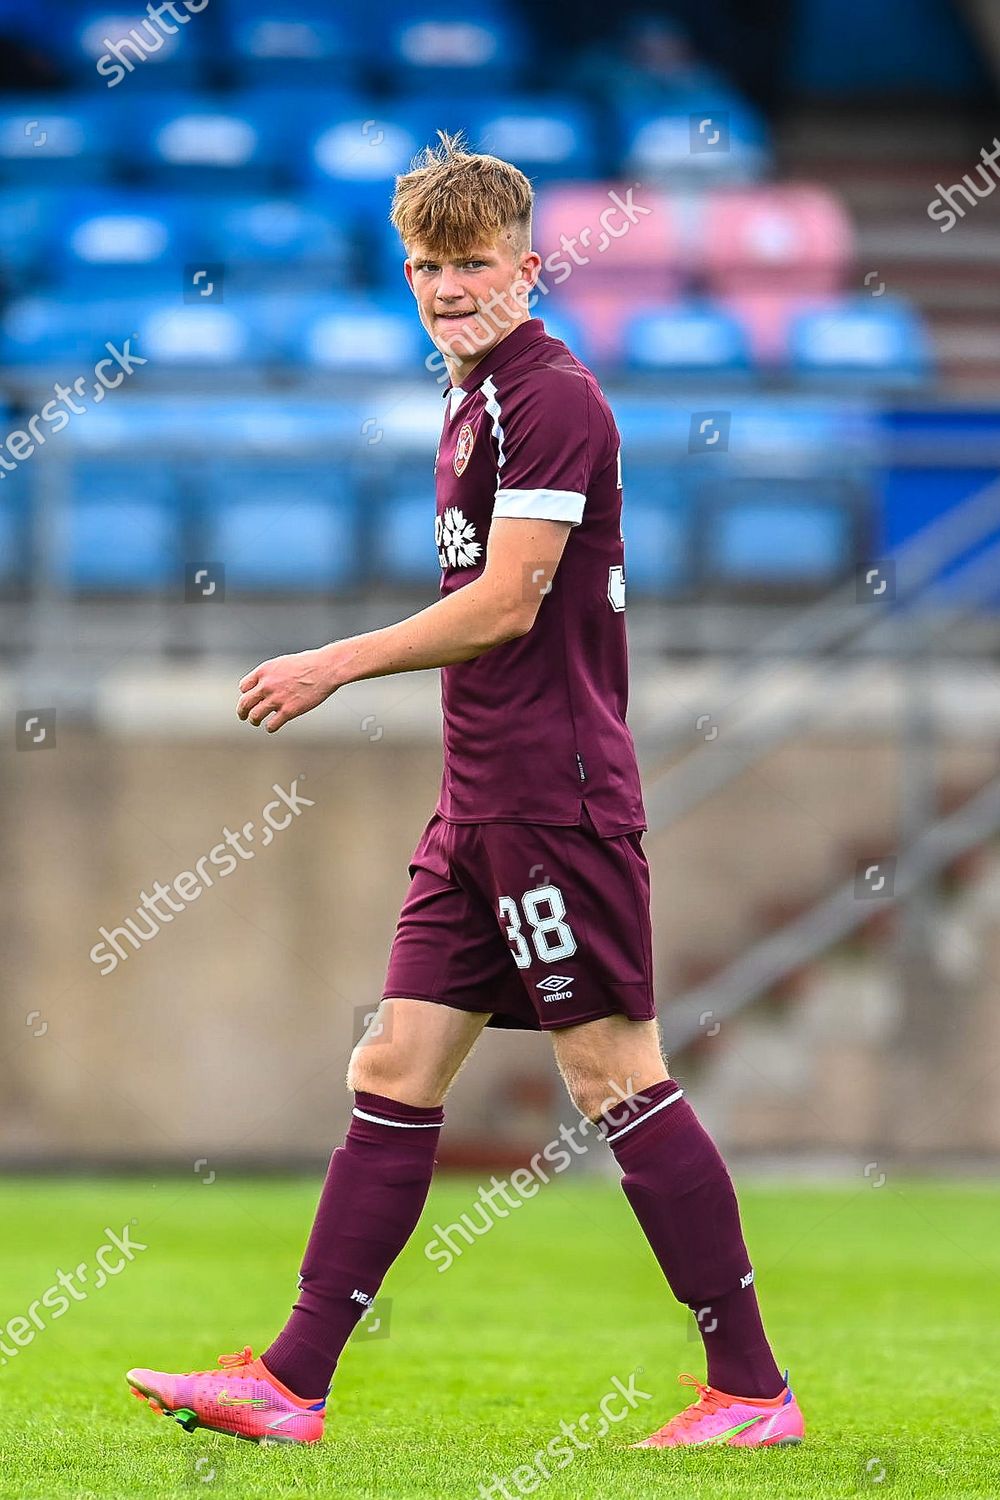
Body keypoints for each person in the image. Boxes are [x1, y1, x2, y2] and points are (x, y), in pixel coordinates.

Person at [125, 134, 804, 1451]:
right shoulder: (471, 393)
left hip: (551, 798)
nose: (447, 287)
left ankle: (751, 1390)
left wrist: (335, 660)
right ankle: (291, 1382)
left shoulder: (549, 397)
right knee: (393, 1059)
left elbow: (508, 603)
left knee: (615, 1074)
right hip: (479, 805)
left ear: (528, 265)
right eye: (427, 265)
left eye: (472, 264)